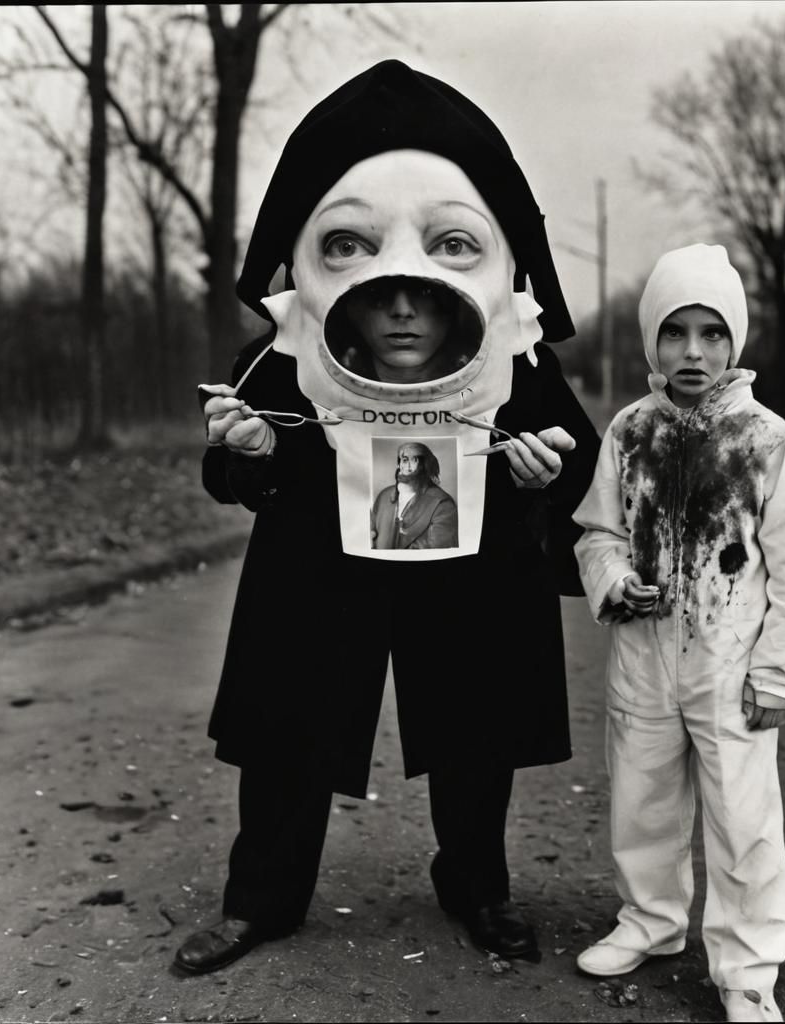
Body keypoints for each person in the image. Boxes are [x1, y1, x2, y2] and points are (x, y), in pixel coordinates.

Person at [174, 60, 600, 976]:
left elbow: (579, 470)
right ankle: (260, 898)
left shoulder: (522, 367)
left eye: (435, 275)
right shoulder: (278, 360)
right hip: (320, 563)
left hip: (472, 567)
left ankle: (478, 887)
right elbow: (227, 470)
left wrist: (540, 477)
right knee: (288, 720)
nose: (403, 307)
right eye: (372, 282)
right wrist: (253, 453)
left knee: (477, 724)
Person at [571, 244, 785, 1023]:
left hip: (731, 665)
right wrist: (614, 579)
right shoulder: (629, 430)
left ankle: (748, 968)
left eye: (712, 333)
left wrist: (779, 670)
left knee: (744, 821)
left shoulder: (765, 438)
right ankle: (650, 920)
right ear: (652, 339)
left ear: (733, 340)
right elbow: (598, 533)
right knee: (642, 799)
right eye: (674, 332)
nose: (692, 351)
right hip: (644, 659)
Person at [371, 441, 458, 550]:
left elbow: (437, 549)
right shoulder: (384, 496)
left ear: (424, 466)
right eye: (403, 460)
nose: (404, 467)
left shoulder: (442, 504)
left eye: (412, 461)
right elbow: (371, 532)